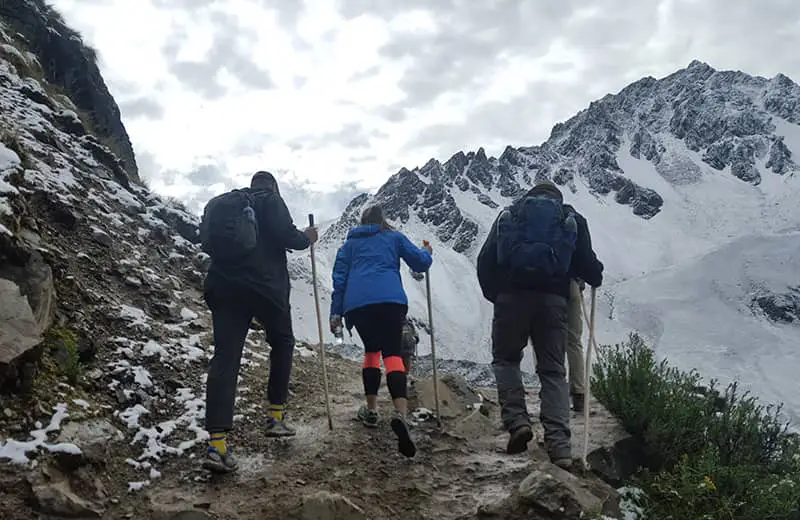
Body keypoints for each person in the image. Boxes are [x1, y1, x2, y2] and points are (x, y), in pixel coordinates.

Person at [476, 180, 603, 469]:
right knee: (553, 372)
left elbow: (485, 261)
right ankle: (559, 447)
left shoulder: (509, 214)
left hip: (511, 299)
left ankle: (518, 422)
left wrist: (497, 295)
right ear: (557, 199)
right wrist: (595, 275)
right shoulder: (571, 218)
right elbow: (588, 266)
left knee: (506, 361)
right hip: (553, 303)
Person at [199, 170, 318, 473]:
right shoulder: (272, 201)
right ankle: (275, 417)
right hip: (265, 288)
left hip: (223, 286)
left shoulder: (231, 205)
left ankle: (217, 445)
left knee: (226, 357)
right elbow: (288, 236)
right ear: (273, 186)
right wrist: (307, 237)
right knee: (282, 342)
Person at [329, 204, 433, 458]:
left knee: (372, 352)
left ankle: (372, 411)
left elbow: (339, 279)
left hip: (359, 306)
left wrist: (336, 313)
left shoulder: (348, 246)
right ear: (382, 221)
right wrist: (427, 252)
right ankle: (401, 414)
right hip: (390, 302)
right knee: (393, 354)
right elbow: (420, 263)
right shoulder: (393, 237)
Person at [567, 277, 587, 413]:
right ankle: (578, 392)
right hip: (570, 285)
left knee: (544, 343)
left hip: (541, 289)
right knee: (573, 341)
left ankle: (550, 391)